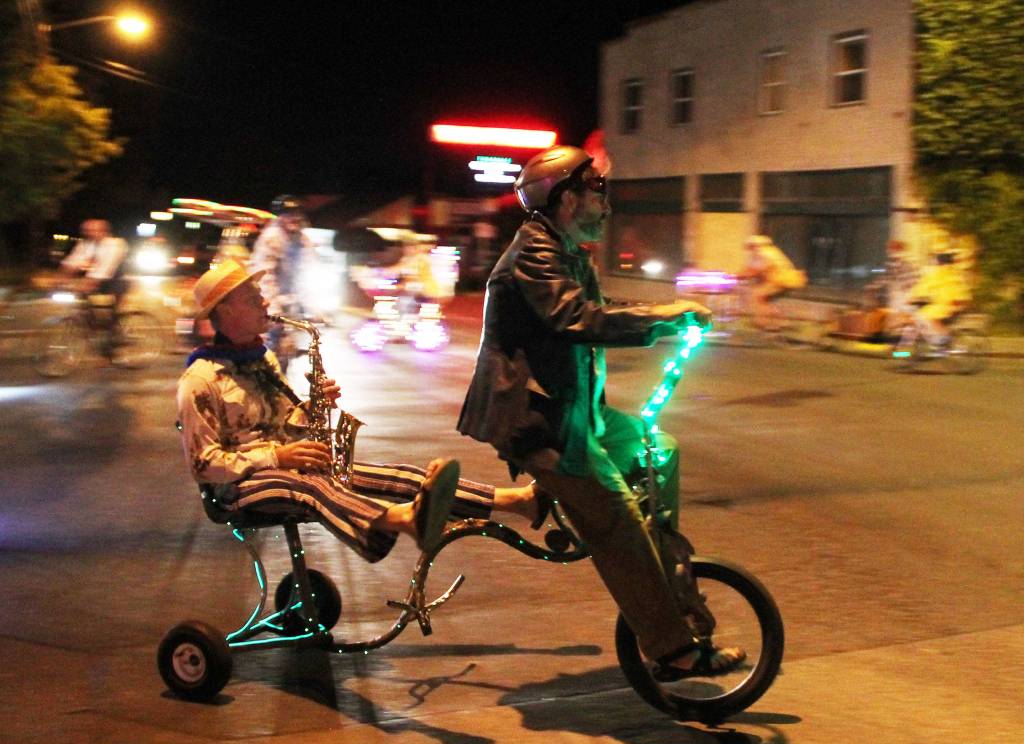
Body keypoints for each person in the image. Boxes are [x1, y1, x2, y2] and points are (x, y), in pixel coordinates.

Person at [457, 144, 744, 676]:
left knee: (661, 449)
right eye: (598, 191)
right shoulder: (532, 255)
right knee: (617, 523)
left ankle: (657, 561)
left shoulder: (565, 251)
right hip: (536, 420)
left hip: (575, 413)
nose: (607, 204)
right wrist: (666, 314)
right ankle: (672, 650)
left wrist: (665, 318)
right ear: (566, 198)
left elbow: (602, 310)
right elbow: (577, 319)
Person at [177, 260, 538, 561]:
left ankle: (516, 501)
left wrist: (311, 409)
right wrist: (277, 456)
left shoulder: (263, 359)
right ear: (225, 310)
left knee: (396, 475)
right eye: (252, 298)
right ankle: (404, 519)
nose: (264, 302)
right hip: (236, 490)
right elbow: (204, 465)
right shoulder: (201, 378)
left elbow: (283, 427)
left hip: (283, 469)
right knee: (311, 486)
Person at [249, 195, 318, 357]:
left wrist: (313, 306)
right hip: (269, 302)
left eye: (297, 213)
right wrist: (272, 308)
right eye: (288, 213)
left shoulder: (303, 240)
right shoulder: (271, 238)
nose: (294, 217)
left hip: (290, 303)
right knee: (267, 349)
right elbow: (265, 276)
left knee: (287, 351)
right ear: (280, 216)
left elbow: (307, 272)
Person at [59, 218, 129, 353]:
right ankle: (95, 328)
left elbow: (105, 268)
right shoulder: (86, 245)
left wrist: (87, 283)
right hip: (97, 280)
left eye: (94, 231)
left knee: (111, 313)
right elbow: (71, 262)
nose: (90, 234)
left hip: (116, 281)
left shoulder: (115, 244)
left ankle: (114, 337)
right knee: (85, 305)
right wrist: (59, 279)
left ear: (104, 231)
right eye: (87, 231)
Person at [906, 248, 973, 346]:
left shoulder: (938, 273)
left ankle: (946, 339)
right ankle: (940, 340)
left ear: (939, 262)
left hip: (947, 305)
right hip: (959, 304)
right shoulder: (956, 273)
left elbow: (923, 287)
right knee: (928, 315)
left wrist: (912, 297)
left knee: (927, 317)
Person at [740, 235, 807, 331]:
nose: (749, 249)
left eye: (750, 246)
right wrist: (739, 275)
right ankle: (778, 323)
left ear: (755, 245)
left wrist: (738, 276)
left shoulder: (765, 253)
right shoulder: (761, 253)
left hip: (781, 281)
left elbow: (755, 270)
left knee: (758, 295)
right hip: (779, 281)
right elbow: (749, 268)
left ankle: (765, 323)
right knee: (764, 299)